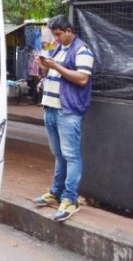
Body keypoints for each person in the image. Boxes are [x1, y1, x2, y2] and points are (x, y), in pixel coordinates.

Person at [32, 14, 94, 221]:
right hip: (50, 108)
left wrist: (56, 66)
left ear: (69, 31)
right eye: (54, 35)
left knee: (71, 155)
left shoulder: (82, 50)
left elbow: (82, 78)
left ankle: (70, 198)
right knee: (59, 154)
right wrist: (43, 65)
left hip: (67, 111)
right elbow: (50, 75)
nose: (56, 39)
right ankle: (55, 193)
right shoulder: (59, 49)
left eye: (59, 34)